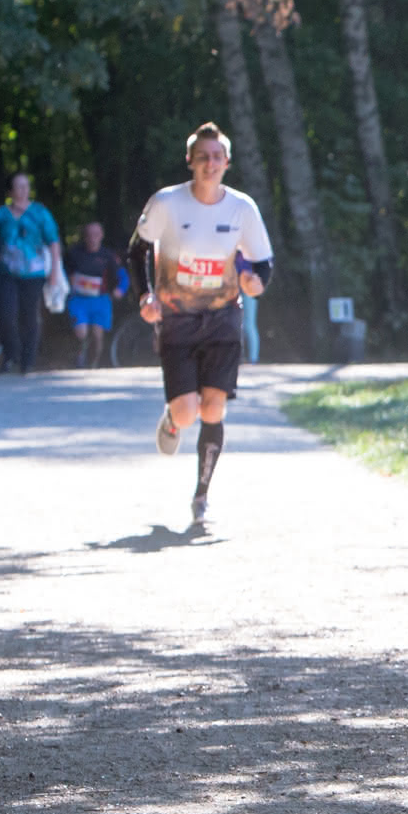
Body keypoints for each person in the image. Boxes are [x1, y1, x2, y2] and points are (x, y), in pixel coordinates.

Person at [129, 122, 273, 525]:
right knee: (190, 412)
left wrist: (255, 281)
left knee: (213, 409)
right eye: (202, 157)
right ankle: (174, 418)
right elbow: (137, 251)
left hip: (225, 318)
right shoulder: (168, 203)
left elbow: (263, 261)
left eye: (217, 157)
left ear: (227, 162)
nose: (210, 164)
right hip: (178, 319)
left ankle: (201, 495)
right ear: (190, 161)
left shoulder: (242, 209)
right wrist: (145, 296)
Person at [0, 172, 65, 374]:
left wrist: (55, 271)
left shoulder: (39, 212)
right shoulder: (1, 214)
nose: (23, 190)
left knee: (30, 316)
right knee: (6, 315)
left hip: (34, 273)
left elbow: (53, 242)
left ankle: (27, 361)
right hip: (5, 272)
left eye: (26, 186)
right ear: (10, 191)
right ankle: (11, 354)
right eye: (18, 186)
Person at [64, 221, 128, 368]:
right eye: (89, 235)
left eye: (96, 235)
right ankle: (80, 356)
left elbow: (123, 276)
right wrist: (69, 280)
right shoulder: (74, 253)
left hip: (100, 299)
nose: (92, 238)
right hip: (79, 299)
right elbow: (63, 271)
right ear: (84, 237)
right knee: (81, 332)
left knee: (97, 335)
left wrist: (120, 290)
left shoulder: (108, 256)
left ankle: (93, 363)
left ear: (101, 236)